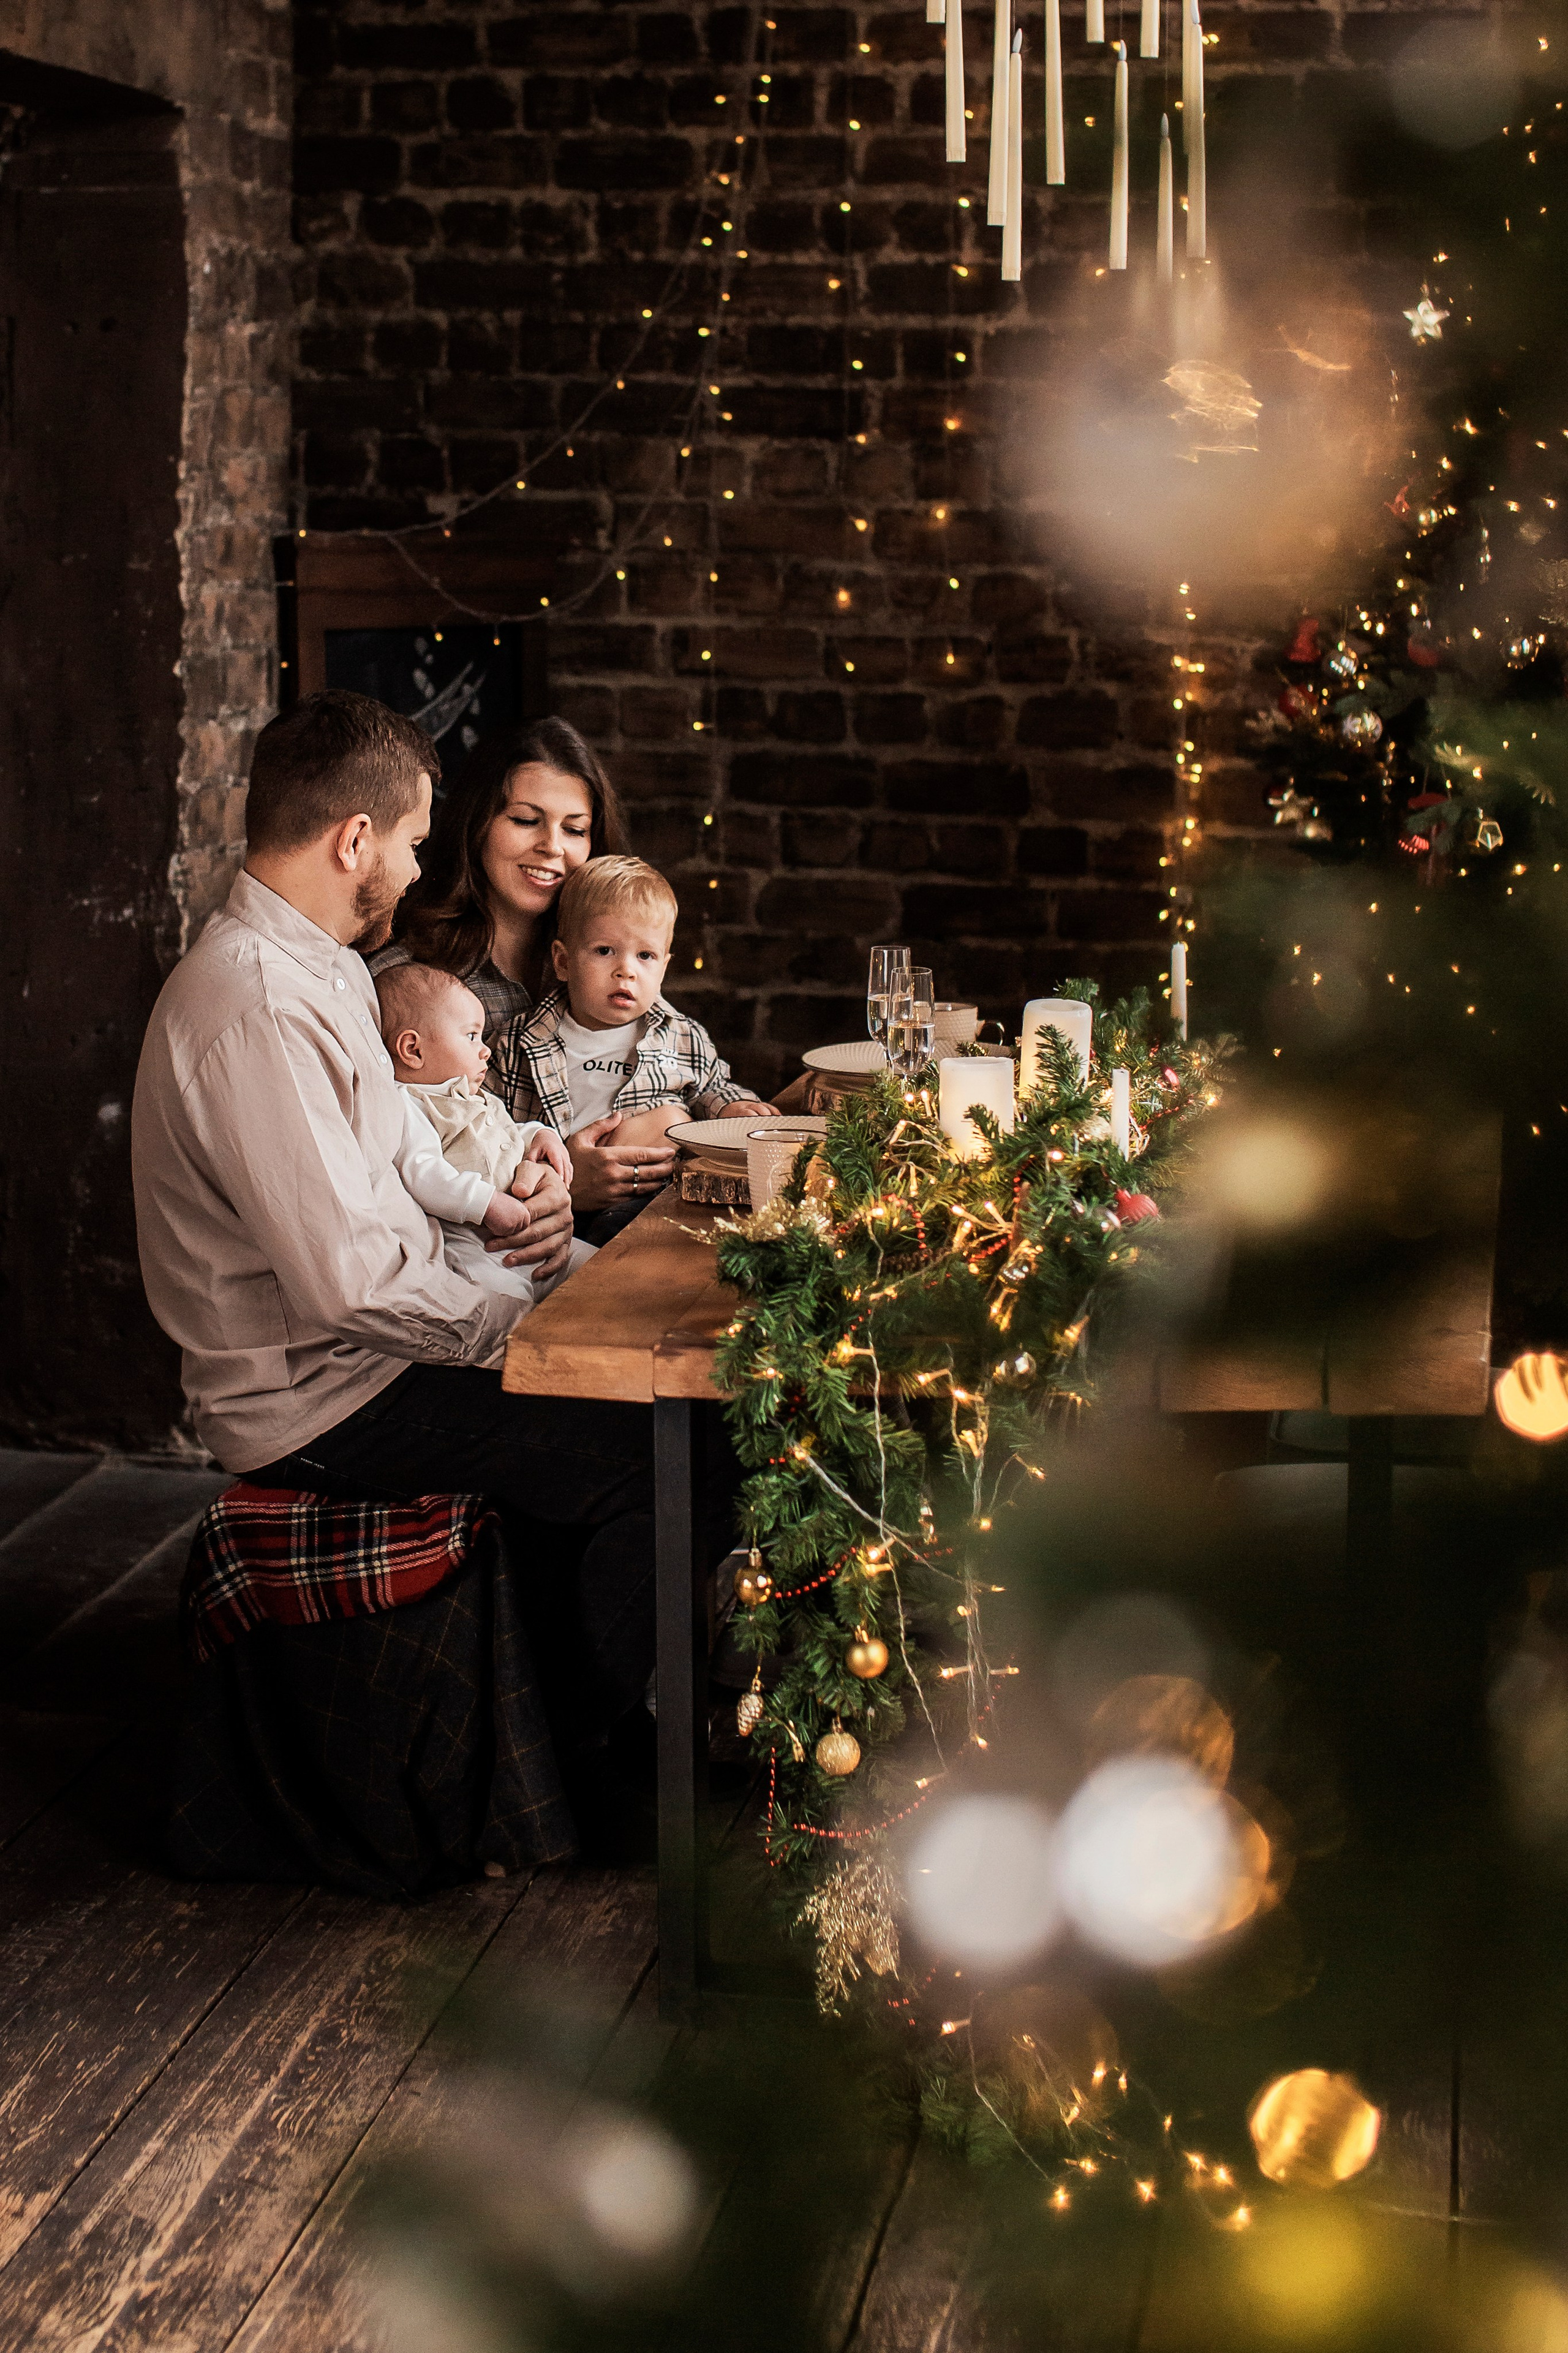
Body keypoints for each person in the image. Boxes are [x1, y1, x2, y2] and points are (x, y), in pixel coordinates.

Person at [131, 690, 657, 1758]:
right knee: (656, 1449)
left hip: (372, 1357)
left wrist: (521, 1163)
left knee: (659, 1419)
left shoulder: (321, 965)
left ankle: (572, 1726)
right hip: (321, 1399)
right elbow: (354, 1286)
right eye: (415, 843)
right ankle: (613, 1775)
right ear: (354, 838)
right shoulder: (258, 1007)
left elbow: (402, 1165)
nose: (420, 870)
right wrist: (544, 1338)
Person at [374, 716, 670, 1216]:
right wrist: (564, 1184)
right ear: (478, 823)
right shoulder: (411, 978)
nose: (553, 846)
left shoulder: (610, 953)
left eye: (574, 829)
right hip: (488, 1247)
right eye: (526, 820)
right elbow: (396, 1162)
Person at [487, 855, 779, 1187]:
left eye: (645, 956)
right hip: (558, 1190)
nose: (626, 970)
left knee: (671, 1123)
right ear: (563, 961)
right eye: (604, 951)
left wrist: (731, 1108)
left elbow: (710, 1090)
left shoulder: (682, 1037)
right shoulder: (517, 1044)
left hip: (656, 1195)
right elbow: (487, 1124)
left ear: (664, 968)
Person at [375, 959, 596, 1309]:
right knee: (505, 1302)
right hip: (475, 1244)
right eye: (471, 1035)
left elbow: (505, 1132)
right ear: (413, 1050)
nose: (485, 1049)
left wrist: (538, 1134)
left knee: (602, 1268)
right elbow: (423, 1171)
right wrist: (485, 1203)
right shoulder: (410, 1106)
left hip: (525, 1233)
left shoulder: (470, 1095)